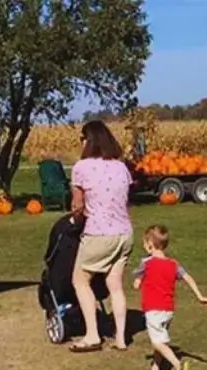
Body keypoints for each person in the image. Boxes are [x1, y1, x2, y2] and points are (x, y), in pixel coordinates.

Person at [68, 120, 134, 352]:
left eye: (82, 138)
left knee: (80, 280)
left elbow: (77, 205)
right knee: (114, 284)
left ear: (89, 140)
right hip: (124, 233)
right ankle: (122, 338)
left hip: (99, 233)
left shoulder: (81, 167)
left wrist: (76, 220)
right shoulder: (120, 167)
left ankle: (92, 335)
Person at [132, 224, 207, 370]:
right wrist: (199, 296)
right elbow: (188, 277)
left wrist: (138, 281)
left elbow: (136, 285)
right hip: (168, 310)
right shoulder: (173, 264)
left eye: (145, 244)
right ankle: (155, 368)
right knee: (160, 338)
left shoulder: (146, 263)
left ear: (150, 245)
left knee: (157, 342)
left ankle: (178, 366)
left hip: (153, 309)